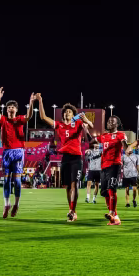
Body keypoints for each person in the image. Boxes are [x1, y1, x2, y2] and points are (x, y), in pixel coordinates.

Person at [36, 94, 93, 222]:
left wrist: (86, 121)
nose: (67, 113)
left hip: (77, 157)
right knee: (67, 186)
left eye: (70, 111)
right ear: (63, 115)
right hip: (65, 158)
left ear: (73, 114)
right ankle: (71, 210)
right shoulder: (59, 125)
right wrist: (40, 101)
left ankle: (72, 211)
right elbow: (43, 117)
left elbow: (91, 126)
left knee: (75, 185)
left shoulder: (78, 123)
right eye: (66, 111)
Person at [0, 87, 34, 218]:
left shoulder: (20, 119)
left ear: (16, 110)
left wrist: (31, 102)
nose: (10, 108)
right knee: (6, 181)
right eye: (9, 107)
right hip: (6, 153)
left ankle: (16, 204)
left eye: (13, 107)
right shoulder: (4, 120)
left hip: (18, 152)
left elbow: (29, 116)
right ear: (7, 109)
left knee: (17, 181)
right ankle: (6, 205)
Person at [97, 116, 128, 226]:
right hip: (104, 166)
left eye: (112, 122)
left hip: (115, 164)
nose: (109, 123)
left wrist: (125, 145)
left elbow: (124, 145)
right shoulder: (104, 136)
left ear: (117, 124)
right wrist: (86, 128)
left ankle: (111, 213)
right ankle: (115, 218)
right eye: (108, 121)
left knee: (111, 188)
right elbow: (91, 141)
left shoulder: (120, 135)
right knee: (104, 192)